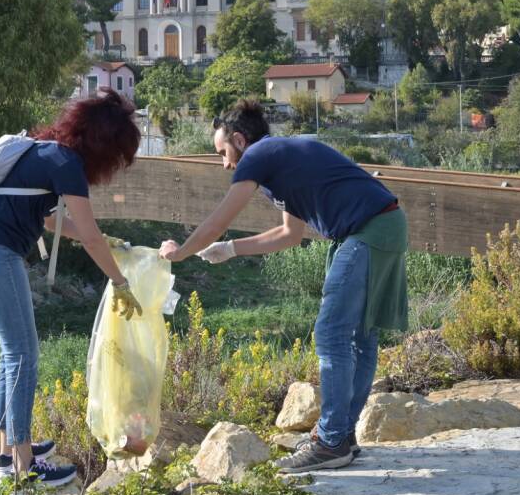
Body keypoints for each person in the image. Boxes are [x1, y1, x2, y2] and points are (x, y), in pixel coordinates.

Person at [159, 99, 408, 473]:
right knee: (359, 336)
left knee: (331, 334)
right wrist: (231, 250)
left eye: (222, 152)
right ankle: (341, 435)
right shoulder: (280, 159)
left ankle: (331, 441)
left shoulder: (259, 155)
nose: (224, 164)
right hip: (383, 225)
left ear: (240, 140)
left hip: (367, 231)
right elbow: (290, 234)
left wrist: (180, 252)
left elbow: (218, 219)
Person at [0, 89, 144, 486]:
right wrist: (120, 281)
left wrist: (99, 237)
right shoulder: (67, 163)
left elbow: (52, 221)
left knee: (14, 351)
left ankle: (10, 451)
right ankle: (25, 467)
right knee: (24, 353)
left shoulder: (47, 150)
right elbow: (89, 237)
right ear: (104, 146)